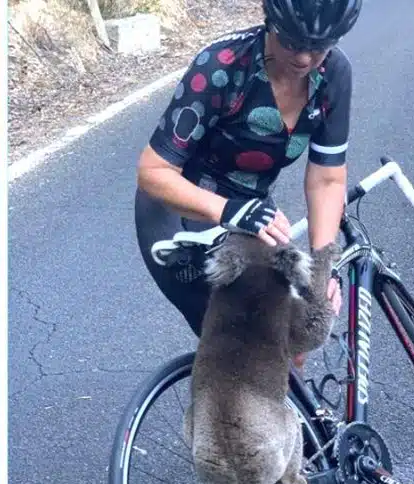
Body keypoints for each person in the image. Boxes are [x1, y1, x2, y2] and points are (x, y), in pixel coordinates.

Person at [135, 0, 362, 367]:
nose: (304, 58)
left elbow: (327, 177)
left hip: (251, 211)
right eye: (291, 41)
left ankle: (293, 421)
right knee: (247, 343)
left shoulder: (334, 74)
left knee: (295, 335)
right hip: (178, 211)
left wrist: (323, 267)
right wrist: (227, 210)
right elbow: (153, 172)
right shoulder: (220, 67)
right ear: (269, 21)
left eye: (318, 46)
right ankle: (222, 419)